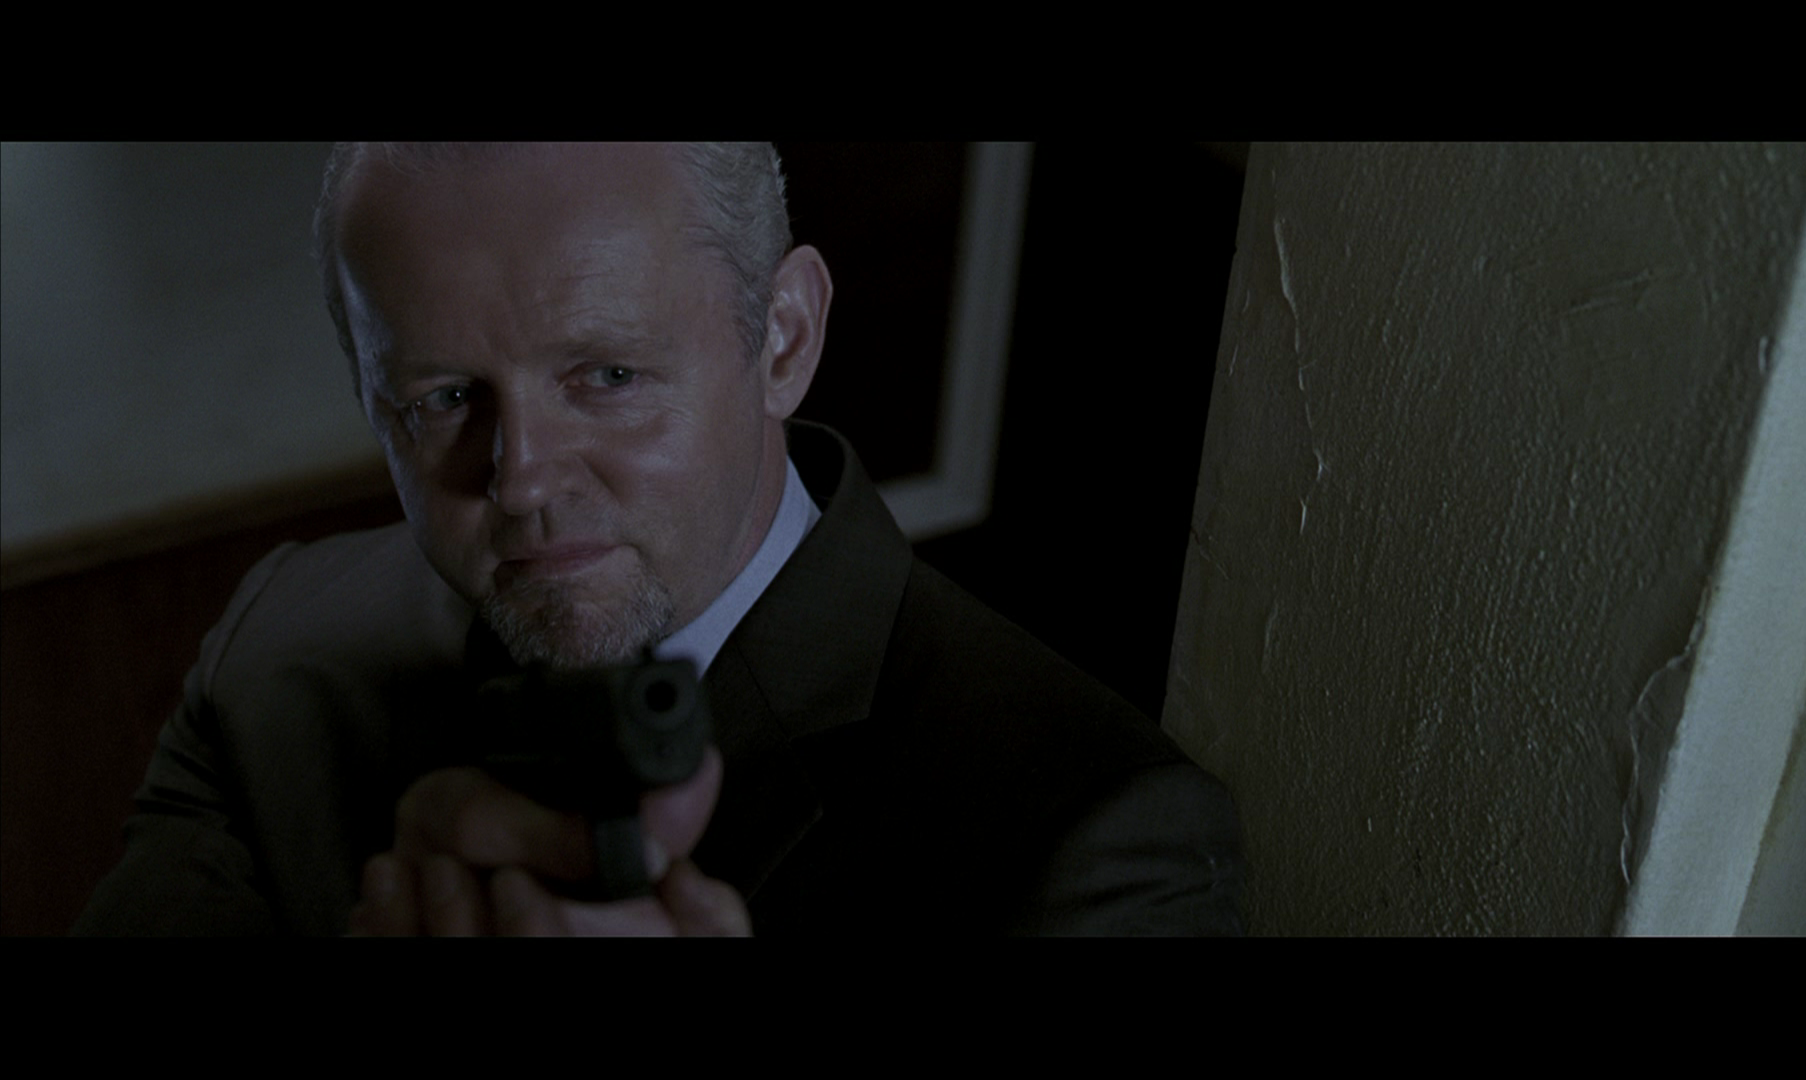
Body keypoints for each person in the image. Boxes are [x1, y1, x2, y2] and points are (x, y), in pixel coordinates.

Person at [76, 142, 1244, 936]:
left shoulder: (1093, 839)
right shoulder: (273, 656)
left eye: (608, 375)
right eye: (444, 399)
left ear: (784, 339)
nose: (523, 479)